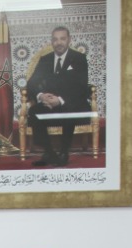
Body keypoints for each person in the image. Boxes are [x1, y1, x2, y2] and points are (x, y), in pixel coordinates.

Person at [24, 26, 91, 168]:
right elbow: (32, 83)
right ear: (51, 41)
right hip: (50, 102)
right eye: (55, 39)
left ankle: (64, 152)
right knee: (34, 111)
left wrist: (60, 101)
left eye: (62, 39)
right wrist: (41, 96)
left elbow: (81, 87)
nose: (59, 42)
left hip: (73, 102)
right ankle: (49, 152)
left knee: (68, 109)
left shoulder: (79, 58)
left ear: (69, 40)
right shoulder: (45, 59)